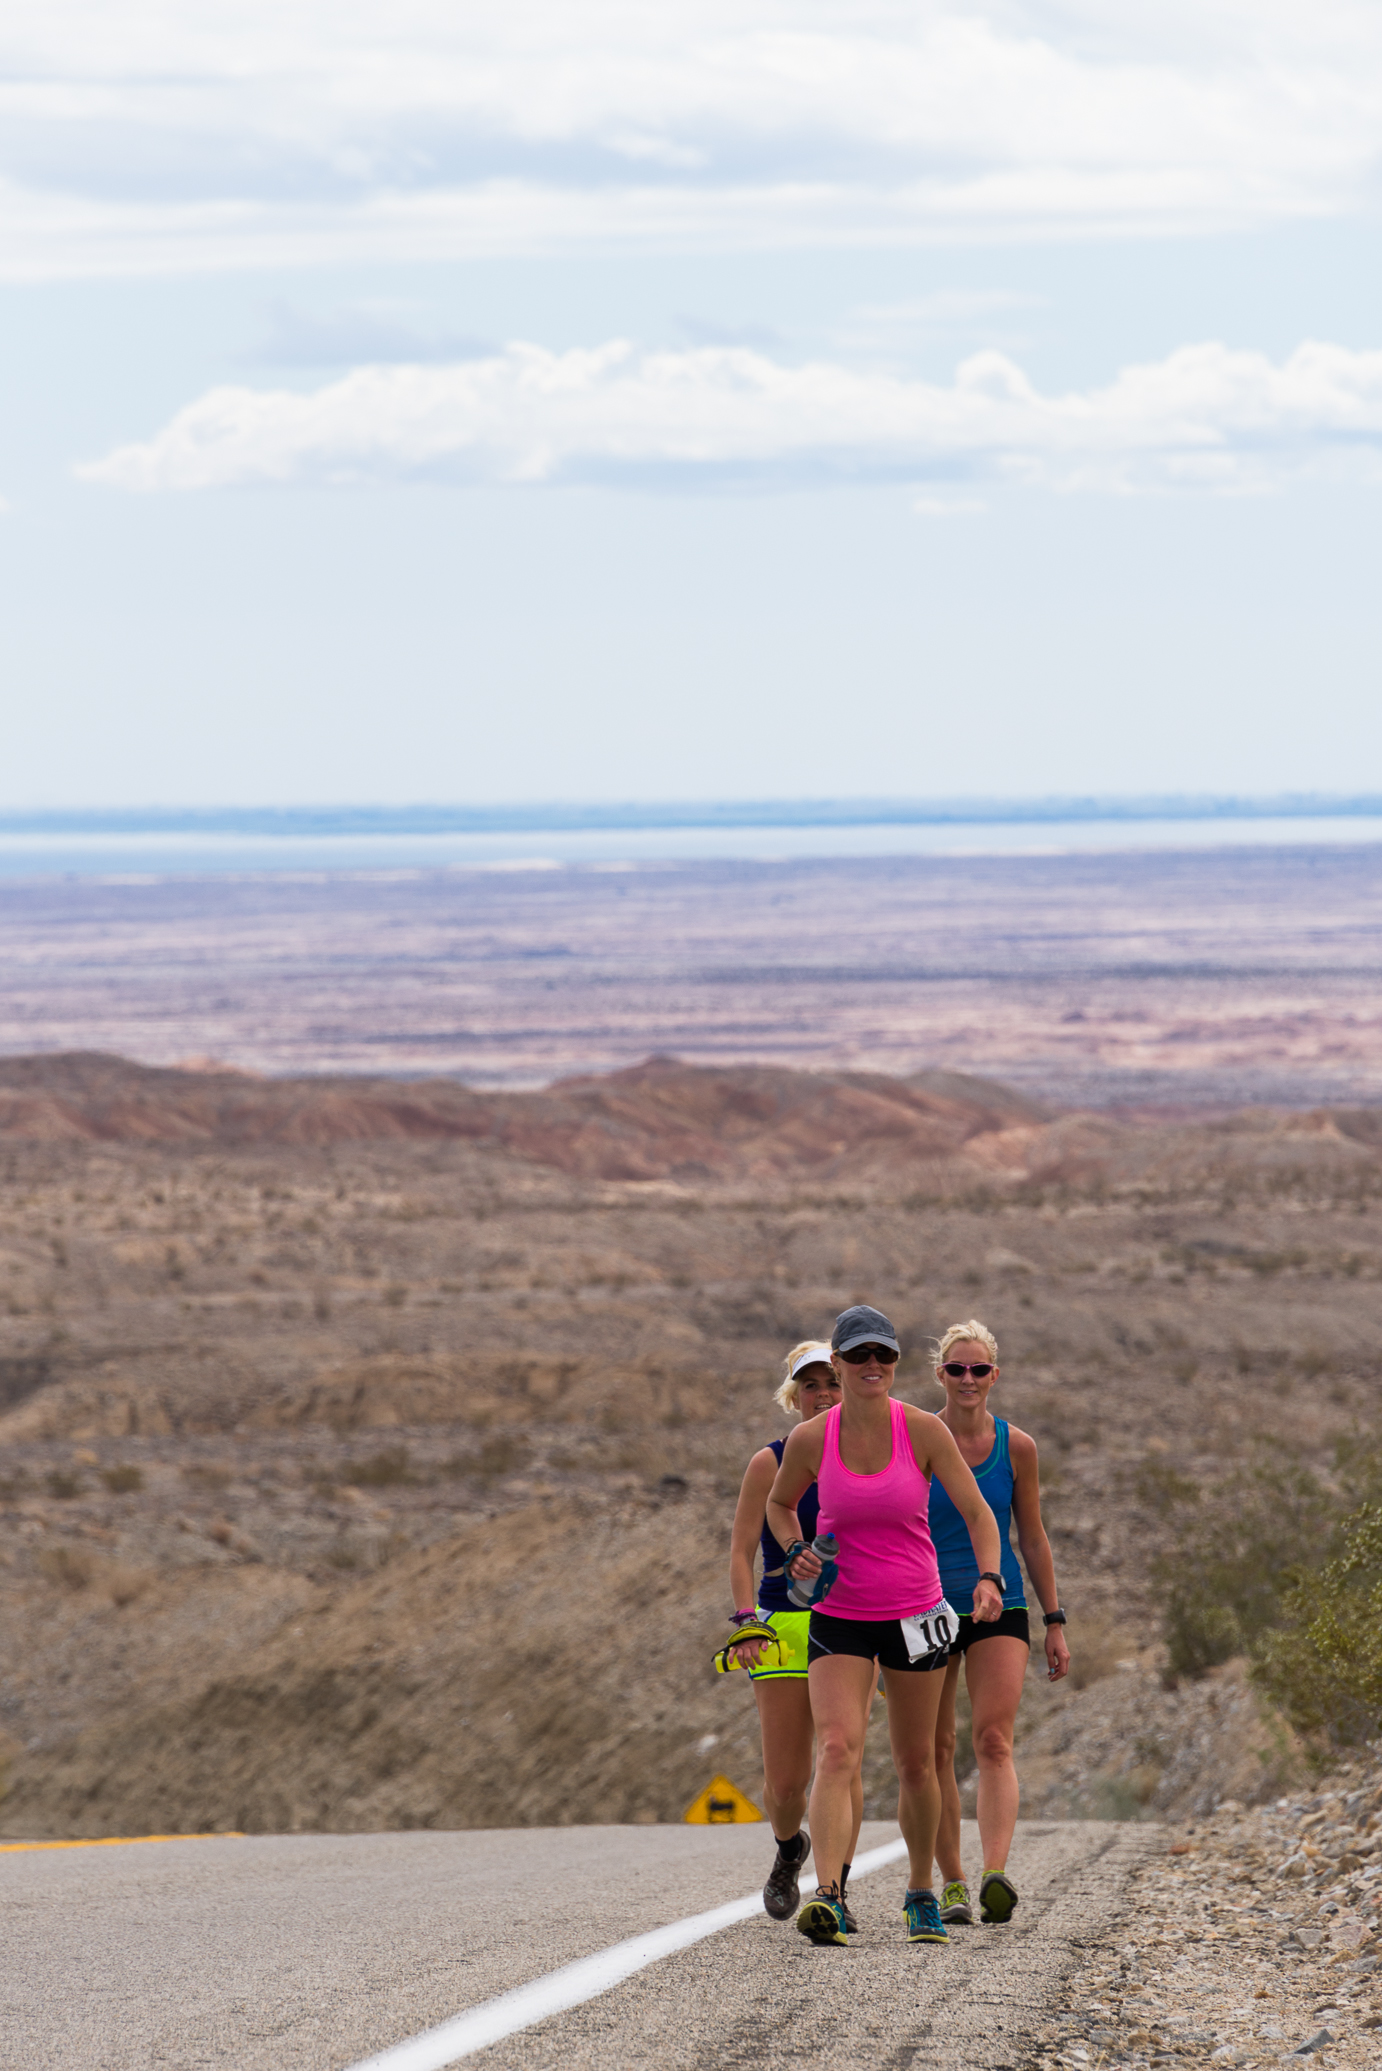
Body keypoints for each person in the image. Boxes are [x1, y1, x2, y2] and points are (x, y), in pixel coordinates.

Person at [766, 1303, 1005, 1948]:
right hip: (840, 1616)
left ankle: (921, 1892)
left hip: (915, 1615)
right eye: (859, 1356)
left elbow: (982, 1517)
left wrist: (989, 1579)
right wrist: (795, 1551)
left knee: (916, 1765)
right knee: (837, 1749)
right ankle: (831, 1898)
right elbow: (780, 1504)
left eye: (884, 1356)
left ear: (896, 1364)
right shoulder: (814, 1440)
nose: (873, 1366)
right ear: (837, 1366)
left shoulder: (924, 1432)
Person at [926, 1319, 1070, 1928]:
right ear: (940, 1374)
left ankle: (994, 1875)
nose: (967, 1379)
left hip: (999, 1605)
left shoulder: (1018, 1447)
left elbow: (1031, 1537)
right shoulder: (916, 1439)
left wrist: (1055, 1618)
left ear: (994, 1376)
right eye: (956, 1369)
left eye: (978, 1369)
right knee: (933, 1749)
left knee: (992, 1740)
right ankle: (952, 1882)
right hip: (924, 1607)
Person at [725, 1341, 871, 1928]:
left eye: (832, 1383)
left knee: (843, 1757)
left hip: (854, 1621)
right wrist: (746, 1622)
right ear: (794, 1396)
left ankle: (835, 1890)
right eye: (811, 1386)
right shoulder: (770, 1462)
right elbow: (739, 1553)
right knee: (786, 1784)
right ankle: (790, 1847)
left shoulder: (868, 1459)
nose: (824, 1396)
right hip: (781, 1623)